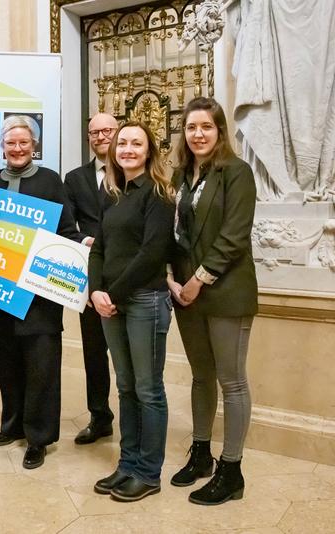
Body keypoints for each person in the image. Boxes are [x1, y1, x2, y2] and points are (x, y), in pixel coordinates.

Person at [168, 97, 257, 505]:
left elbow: (234, 236)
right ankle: (201, 453)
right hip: (187, 293)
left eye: (206, 126)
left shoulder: (236, 173)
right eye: (191, 127)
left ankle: (231, 470)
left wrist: (198, 281)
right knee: (201, 376)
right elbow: (176, 235)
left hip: (224, 291)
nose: (198, 134)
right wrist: (173, 278)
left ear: (219, 131)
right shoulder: (182, 176)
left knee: (231, 380)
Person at [0, 115, 75, 470]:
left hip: (40, 294)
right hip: (1, 291)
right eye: (11, 143)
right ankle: (13, 424)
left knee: (42, 366)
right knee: (8, 363)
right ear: (1, 146)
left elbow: (66, 230)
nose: (17, 149)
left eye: (24, 143)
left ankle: (38, 437)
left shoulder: (51, 181)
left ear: (34, 146)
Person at [89, 121, 175, 502]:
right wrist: (95, 290)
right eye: (121, 142)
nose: (126, 148)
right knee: (125, 386)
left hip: (144, 301)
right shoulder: (112, 193)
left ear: (148, 151)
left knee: (148, 389)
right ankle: (127, 464)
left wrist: (112, 292)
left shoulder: (158, 194)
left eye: (135, 143)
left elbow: (152, 254)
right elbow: (98, 249)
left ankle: (148, 472)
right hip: (111, 302)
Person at [63, 112, 119, 445]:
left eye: (107, 130)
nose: (100, 137)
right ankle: (100, 417)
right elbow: (67, 226)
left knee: (129, 354)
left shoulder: (133, 172)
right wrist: (88, 241)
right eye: (94, 132)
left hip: (129, 275)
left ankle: (138, 420)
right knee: (94, 353)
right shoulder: (74, 178)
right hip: (90, 279)